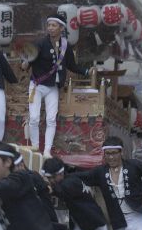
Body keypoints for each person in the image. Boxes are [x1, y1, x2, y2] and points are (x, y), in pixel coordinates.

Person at [20, 14, 93, 157]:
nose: (51, 28)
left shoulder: (66, 46)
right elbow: (27, 61)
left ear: (61, 28)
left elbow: (72, 65)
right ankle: (35, 149)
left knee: (51, 119)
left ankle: (47, 150)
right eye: (49, 25)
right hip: (37, 85)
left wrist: (86, 71)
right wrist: (25, 63)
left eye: (54, 25)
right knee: (34, 118)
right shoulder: (40, 43)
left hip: (53, 87)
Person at [74, 136, 142, 230]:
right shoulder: (100, 172)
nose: (111, 157)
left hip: (138, 215)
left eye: (114, 153)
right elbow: (79, 177)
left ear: (121, 152)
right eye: (108, 154)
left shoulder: (134, 165)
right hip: (118, 219)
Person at [42, 157, 108, 230]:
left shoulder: (71, 182)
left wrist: (47, 188)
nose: (51, 180)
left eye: (53, 177)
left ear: (61, 173)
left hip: (95, 225)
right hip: (81, 224)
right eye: (49, 178)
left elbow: (60, 190)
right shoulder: (70, 178)